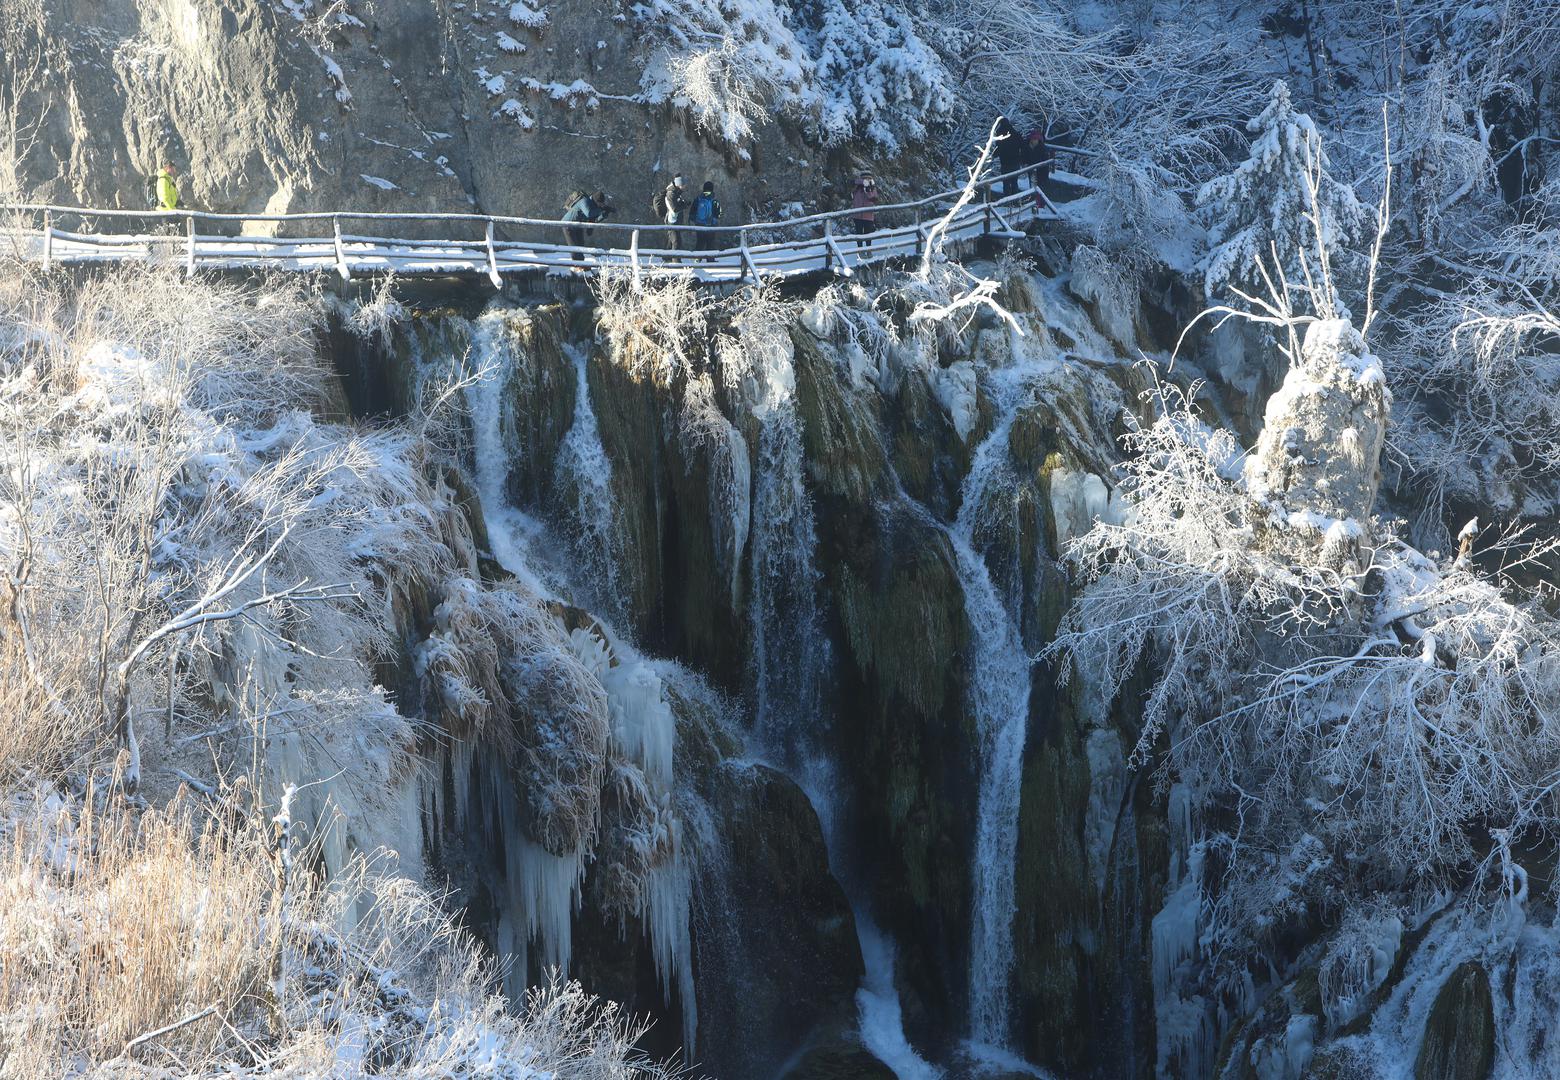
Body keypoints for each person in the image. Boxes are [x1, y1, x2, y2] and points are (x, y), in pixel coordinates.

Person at [561, 188, 613, 261]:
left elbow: (595, 220)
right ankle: (577, 265)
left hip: (578, 225)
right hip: (568, 225)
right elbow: (588, 214)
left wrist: (605, 213)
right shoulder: (584, 201)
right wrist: (601, 209)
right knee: (574, 246)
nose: (600, 205)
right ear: (595, 201)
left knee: (580, 245)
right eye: (599, 203)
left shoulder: (595, 206)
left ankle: (581, 264)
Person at [994, 116, 1024, 196]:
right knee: (1014, 182)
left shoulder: (999, 133)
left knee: (1006, 183)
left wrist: (993, 155)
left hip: (1005, 162)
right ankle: (1015, 200)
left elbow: (998, 148)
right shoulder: (1015, 133)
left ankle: (1007, 200)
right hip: (1015, 162)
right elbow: (1022, 145)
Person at [690, 181, 722, 250]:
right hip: (710, 224)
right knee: (710, 243)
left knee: (700, 242)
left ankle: (697, 258)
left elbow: (692, 211)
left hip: (699, 224)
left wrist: (695, 220)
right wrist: (716, 220)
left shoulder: (698, 199)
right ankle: (710, 259)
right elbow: (719, 212)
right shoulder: (714, 200)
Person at [1025, 121, 1051, 202]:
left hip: (1041, 171)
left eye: (1035, 139)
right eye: (1032, 139)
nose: (1033, 141)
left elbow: (1041, 159)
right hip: (1033, 169)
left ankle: (1039, 203)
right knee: (1033, 186)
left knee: (1040, 187)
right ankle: (1034, 201)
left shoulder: (1041, 148)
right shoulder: (1030, 147)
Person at [662, 174, 689, 250]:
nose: (685, 186)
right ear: (679, 185)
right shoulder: (671, 194)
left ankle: (666, 257)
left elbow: (677, 205)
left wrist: (684, 203)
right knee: (676, 241)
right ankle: (676, 260)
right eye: (684, 185)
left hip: (675, 220)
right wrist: (685, 206)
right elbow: (674, 209)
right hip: (671, 221)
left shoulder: (677, 193)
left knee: (671, 241)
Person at [850, 173, 878, 244]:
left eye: (868, 178)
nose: (866, 180)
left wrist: (868, 191)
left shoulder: (872, 188)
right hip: (857, 216)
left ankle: (868, 250)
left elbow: (873, 199)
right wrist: (861, 183)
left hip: (868, 216)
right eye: (865, 178)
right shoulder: (857, 188)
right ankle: (860, 250)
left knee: (868, 234)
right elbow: (850, 189)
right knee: (859, 234)